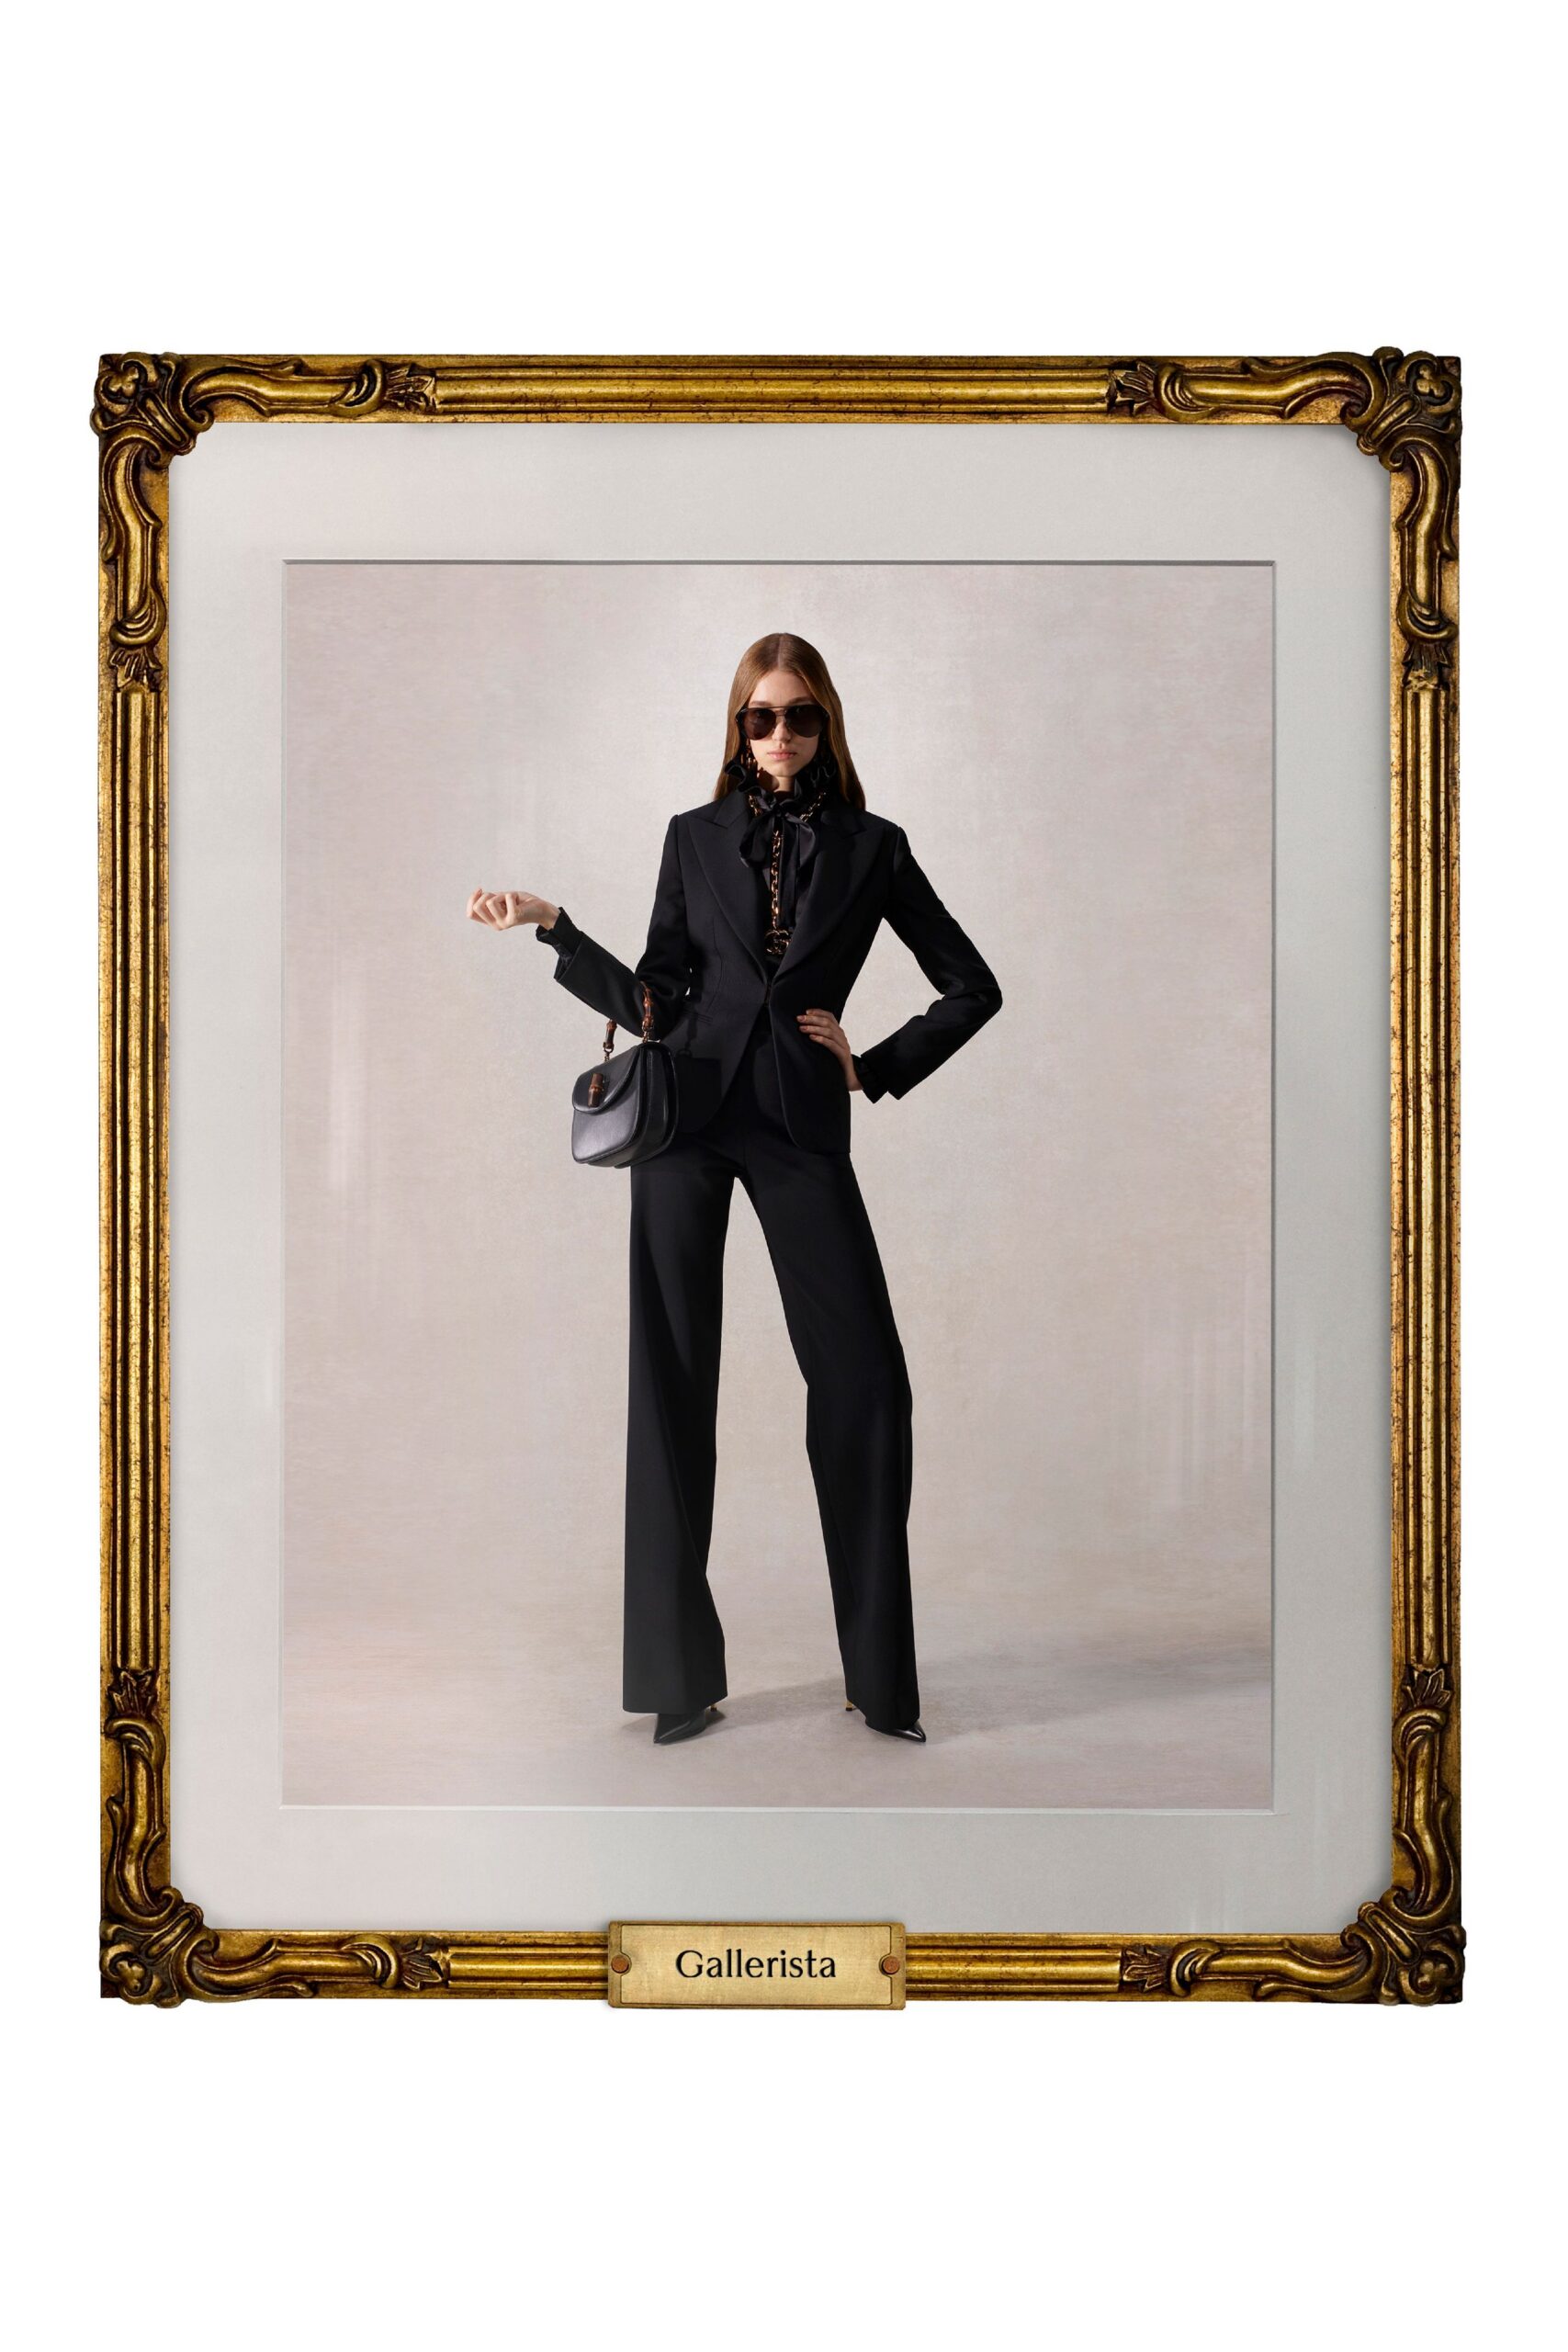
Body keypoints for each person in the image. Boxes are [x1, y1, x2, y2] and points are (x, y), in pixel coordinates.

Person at [468, 632, 1002, 1746]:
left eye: (800, 716)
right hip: (684, 1122)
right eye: (761, 717)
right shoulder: (692, 835)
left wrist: (873, 1062)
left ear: (826, 723)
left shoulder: (875, 847)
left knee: (865, 1382)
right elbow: (658, 999)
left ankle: (880, 1680)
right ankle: (679, 1681)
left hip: (800, 1125)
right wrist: (556, 927)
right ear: (738, 726)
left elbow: (973, 985)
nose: (780, 734)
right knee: (669, 1381)